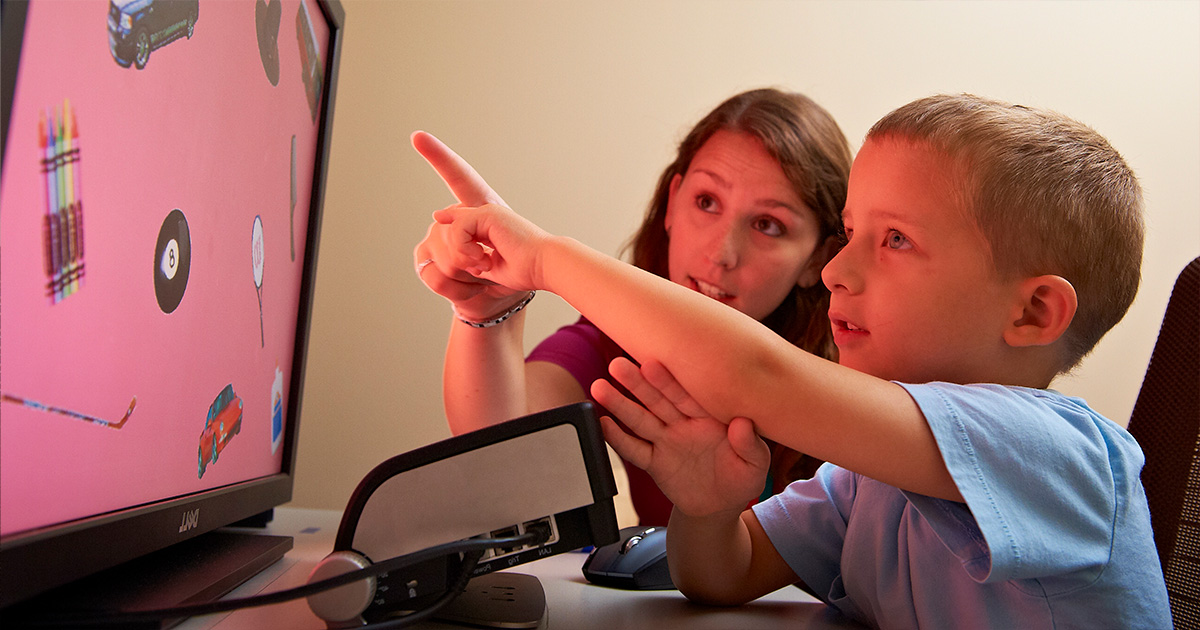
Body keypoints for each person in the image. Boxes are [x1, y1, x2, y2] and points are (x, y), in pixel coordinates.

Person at [413, 93, 1171, 628]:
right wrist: (709, 507)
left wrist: (542, 257)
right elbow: (724, 575)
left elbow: (756, 375)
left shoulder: (1062, 453)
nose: (843, 269)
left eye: (896, 240)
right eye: (851, 232)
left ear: (1033, 312)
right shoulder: (870, 482)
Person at [414, 88, 854, 525]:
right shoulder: (613, 341)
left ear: (817, 258)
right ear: (672, 202)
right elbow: (503, 455)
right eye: (706, 202)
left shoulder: (860, 371)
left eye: (768, 225)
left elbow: (748, 366)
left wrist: (544, 258)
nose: (722, 252)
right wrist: (487, 313)